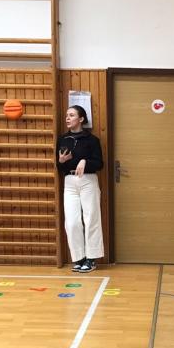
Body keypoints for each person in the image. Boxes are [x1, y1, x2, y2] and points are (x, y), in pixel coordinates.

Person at [56, 105, 104, 273]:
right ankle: (79, 258)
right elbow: (60, 167)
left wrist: (85, 161)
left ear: (81, 119)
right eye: (67, 115)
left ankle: (92, 259)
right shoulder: (63, 139)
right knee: (72, 222)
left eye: (71, 115)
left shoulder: (92, 140)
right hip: (69, 182)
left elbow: (99, 164)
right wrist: (62, 162)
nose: (67, 118)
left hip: (87, 181)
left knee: (91, 219)